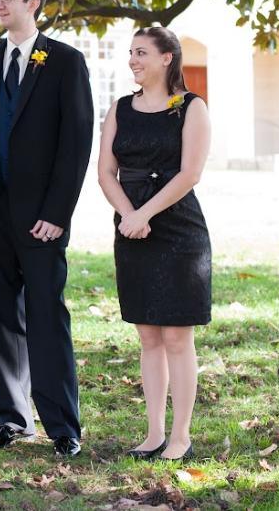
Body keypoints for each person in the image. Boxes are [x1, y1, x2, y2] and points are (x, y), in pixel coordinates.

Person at [0, 0, 93, 459]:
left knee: (46, 315)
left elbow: (76, 145)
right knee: (0, 317)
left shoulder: (64, 62)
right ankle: (13, 420)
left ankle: (62, 426)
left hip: (41, 217)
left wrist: (58, 212)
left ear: (34, 4)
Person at [97, 26, 212, 462]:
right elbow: (106, 171)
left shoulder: (190, 108)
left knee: (177, 337)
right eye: (131, 53)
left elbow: (190, 174)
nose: (132, 60)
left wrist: (145, 214)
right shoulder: (120, 109)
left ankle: (180, 436)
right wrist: (129, 214)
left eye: (141, 52)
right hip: (130, 228)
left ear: (167, 58)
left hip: (179, 229)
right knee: (148, 336)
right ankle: (153, 433)